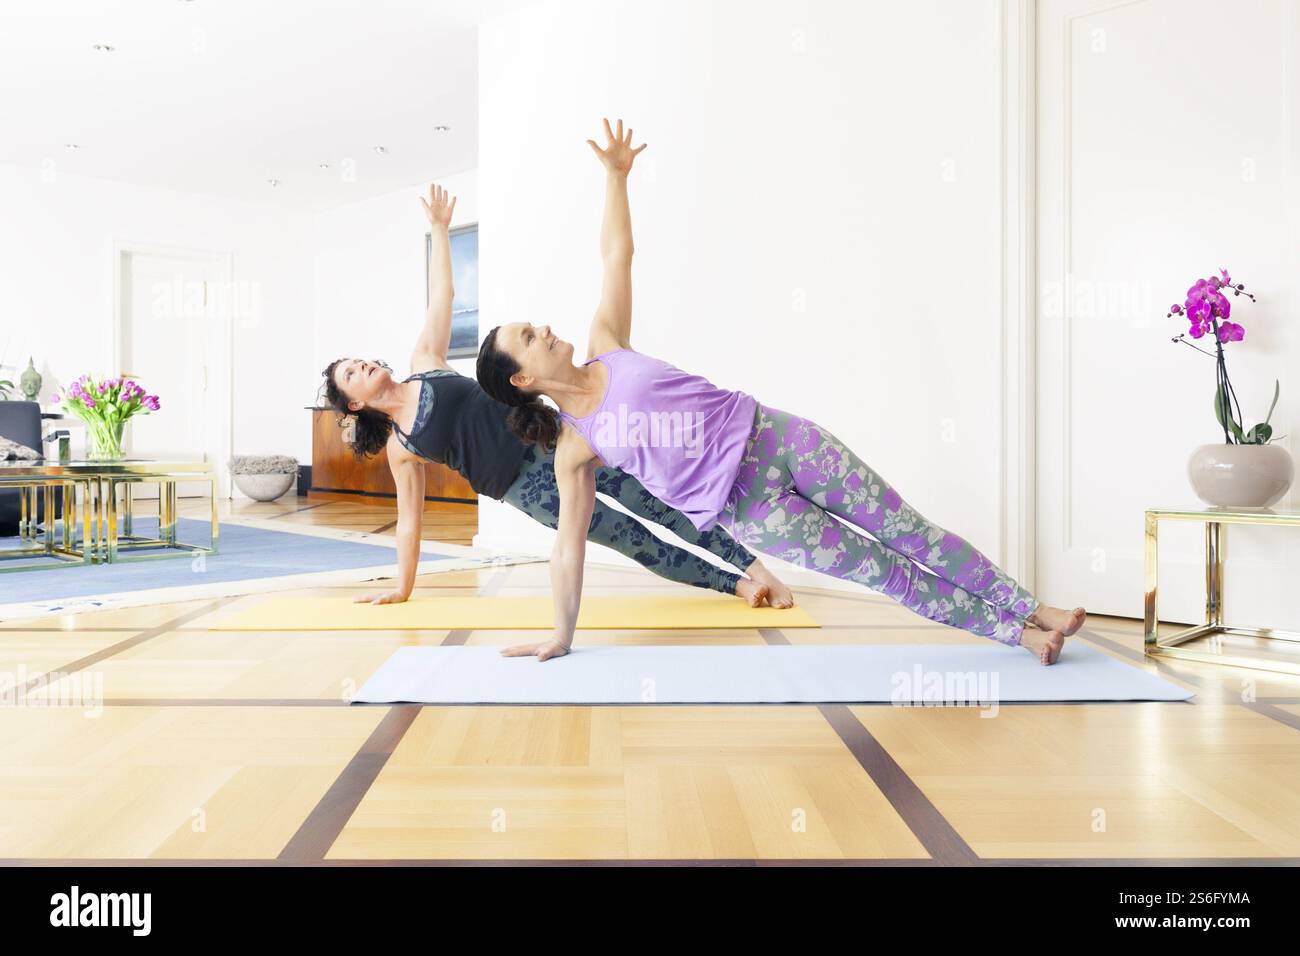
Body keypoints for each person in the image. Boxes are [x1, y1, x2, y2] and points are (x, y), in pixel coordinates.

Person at [475, 117, 1086, 664]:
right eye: (529, 336)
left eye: (536, 324)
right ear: (522, 379)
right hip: (755, 513)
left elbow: (617, 255)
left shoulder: (607, 340)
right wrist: (561, 634)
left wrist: (616, 178)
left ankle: (1036, 609)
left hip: (779, 438)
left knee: (912, 533)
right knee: (891, 577)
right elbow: (568, 548)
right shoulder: (575, 449)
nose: (545, 329)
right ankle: (1024, 636)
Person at [320, 183, 793, 611]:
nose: (361, 365)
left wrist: (440, 231)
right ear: (354, 404)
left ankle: (755, 568)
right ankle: (732, 586)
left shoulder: (425, 360)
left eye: (358, 360)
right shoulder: (401, 448)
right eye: (350, 373)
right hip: (525, 490)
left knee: (661, 503)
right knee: (633, 540)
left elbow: (443, 292)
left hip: (559, 437)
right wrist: (403, 587)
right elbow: (409, 523)